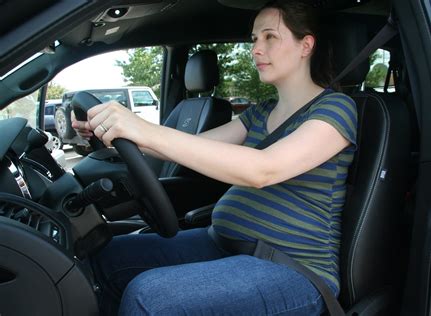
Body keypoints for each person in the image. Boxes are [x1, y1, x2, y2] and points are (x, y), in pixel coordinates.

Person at [73, 1, 357, 314]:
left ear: (306, 45)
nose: (256, 49)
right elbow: (189, 145)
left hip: (294, 269)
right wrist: (111, 132)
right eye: (254, 39)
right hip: (222, 243)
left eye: (269, 37)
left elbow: (264, 170)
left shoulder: (335, 109)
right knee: (104, 256)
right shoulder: (260, 113)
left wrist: (141, 127)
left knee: (149, 297)